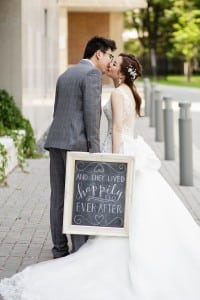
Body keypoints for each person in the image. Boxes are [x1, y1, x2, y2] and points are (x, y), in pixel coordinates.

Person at [1, 54, 200, 300]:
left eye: (114, 64)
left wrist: (114, 161)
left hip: (120, 152)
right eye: (111, 61)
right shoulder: (130, 92)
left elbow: (117, 128)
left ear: (123, 73)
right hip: (133, 150)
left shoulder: (117, 94)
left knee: (120, 208)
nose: (110, 65)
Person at [44, 36, 117, 258]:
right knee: (79, 197)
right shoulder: (92, 74)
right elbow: (91, 117)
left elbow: (57, 112)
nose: (110, 61)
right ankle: (80, 251)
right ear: (98, 54)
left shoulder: (66, 73)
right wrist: (95, 153)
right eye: (109, 56)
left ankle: (59, 248)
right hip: (76, 144)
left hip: (56, 141)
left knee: (58, 197)